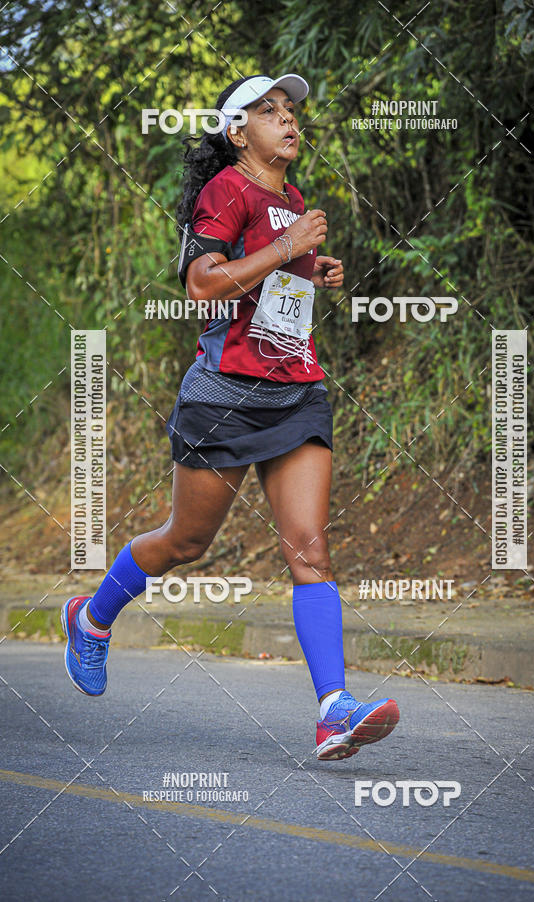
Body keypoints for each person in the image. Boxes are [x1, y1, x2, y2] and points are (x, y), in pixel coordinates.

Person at [62, 72, 399, 760]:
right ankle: (92, 618)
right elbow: (202, 285)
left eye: (293, 111)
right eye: (269, 112)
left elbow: (268, 292)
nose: (289, 120)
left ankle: (333, 710)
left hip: (296, 390)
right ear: (238, 133)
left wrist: (309, 272)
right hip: (224, 399)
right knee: (186, 544)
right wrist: (285, 249)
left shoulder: (292, 199)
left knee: (309, 547)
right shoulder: (227, 191)